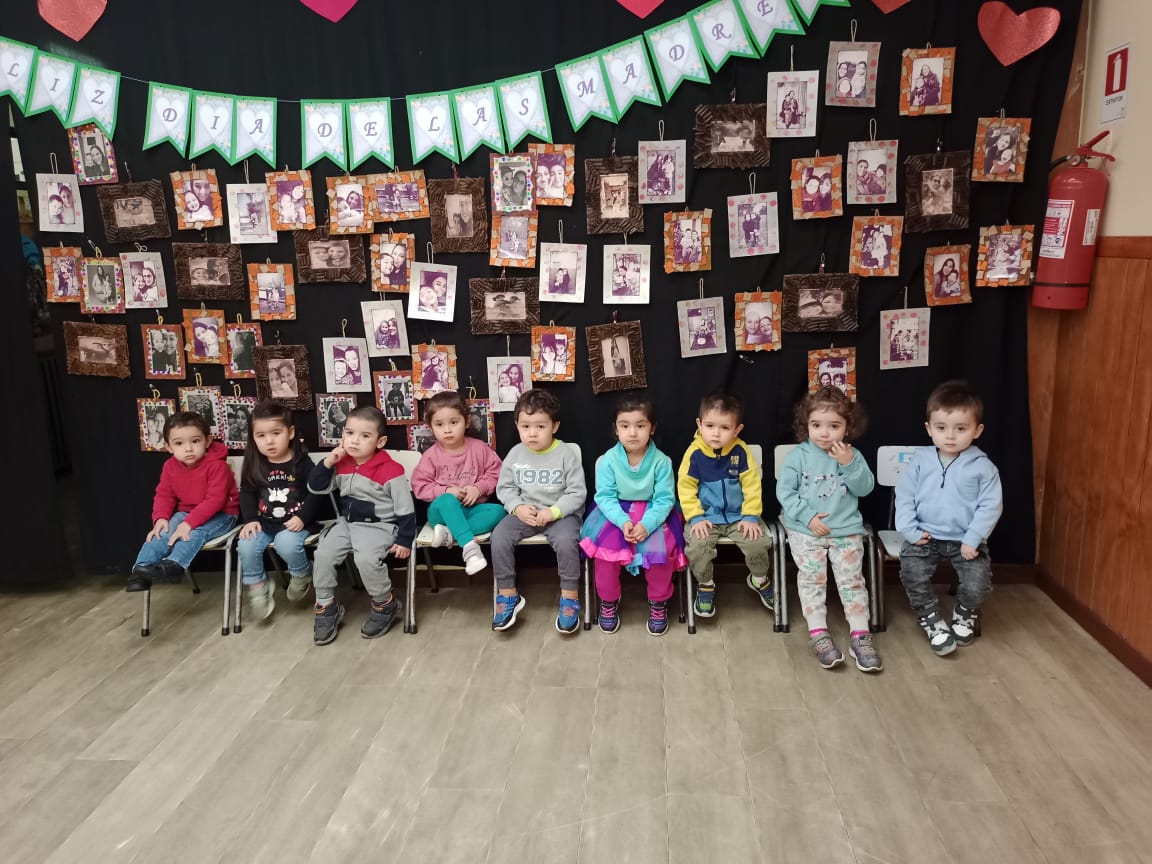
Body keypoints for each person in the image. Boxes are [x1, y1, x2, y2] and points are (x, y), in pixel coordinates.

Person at [777, 387, 882, 672]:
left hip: (845, 530)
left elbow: (865, 488)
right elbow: (785, 493)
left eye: (834, 426)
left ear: (847, 427)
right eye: (817, 425)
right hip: (805, 530)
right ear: (806, 425)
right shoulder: (798, 456)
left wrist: (849, 465)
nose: (824, 433)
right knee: (812, 579)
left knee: (852, 581)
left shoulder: (852, 455)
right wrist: (808, 517)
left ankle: (860, 634)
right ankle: (818, 633)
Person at [896, 381, 1003, 655]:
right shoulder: (920, 460)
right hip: (924, 535)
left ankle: (965, 612)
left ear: (977, 430)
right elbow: (904, 496)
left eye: (961, 429)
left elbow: (991, 506)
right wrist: (910, 531)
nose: (950, 436)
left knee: (978, 582)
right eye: (941, 428)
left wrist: (973, 538)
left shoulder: (984, 467)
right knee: (912, 575)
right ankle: (931, 619)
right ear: (929, 428)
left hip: (965, 540)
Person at [307, 406, 415, 645]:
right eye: (349, 433)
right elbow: (316, 487)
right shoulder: (341, 463)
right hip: (347, 524)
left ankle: (385, 603)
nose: (354, 440)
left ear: (380, 441)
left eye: (365, 435)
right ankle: (325, 605)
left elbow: (405, 508)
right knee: (323, 554)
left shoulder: (391, 470)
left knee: (365, 559)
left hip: (380, 526)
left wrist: (405, 539)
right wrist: (328, 462)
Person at [580, 395, 686, 636]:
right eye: (625, 426)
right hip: (615, 514)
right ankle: (608, 601)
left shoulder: (661, 462)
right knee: (605, 553)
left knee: (659, 552)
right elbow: (605, 497)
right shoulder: (608, 460)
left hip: (654, 513)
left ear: (652, 428)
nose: (632, 433)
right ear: (616, 429)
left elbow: (664, 499)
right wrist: (623, 521)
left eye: (640, 425)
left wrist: (647, 525)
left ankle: (658, 601)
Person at [491, 389, 587, 633]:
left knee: (566, 542)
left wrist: (553, 512)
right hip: (526, 513)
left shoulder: (566, 454)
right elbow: (505, 488)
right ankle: (508, 594)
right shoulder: (515, 453)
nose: (532, 433)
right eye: (526, 426)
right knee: (499, 537)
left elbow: (577, 493)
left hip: (561, 515)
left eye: (540, 427)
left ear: (554, 426)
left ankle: (569, 597)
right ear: (517, 426)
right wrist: (517, 507)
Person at [678, 392, 773, 619]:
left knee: (758, 542)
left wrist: (750, 516)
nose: (716, 433)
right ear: (700, 425)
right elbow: (685, 488)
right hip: (706, 518)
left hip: (739, 516)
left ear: (737, 430)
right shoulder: (694, 454)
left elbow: (752, 486)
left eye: (724, 427)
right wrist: (696, 517)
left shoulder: (741, 451)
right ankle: (705, 585)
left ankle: (759, 579)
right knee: (698, 547)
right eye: (710, 426)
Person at [125, 412, 240, 592]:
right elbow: (164, 495)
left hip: (223, 515)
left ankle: (175, 564)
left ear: (207, 441)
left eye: (195, 441)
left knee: (194, 533)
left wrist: (188, 524)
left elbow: (215, 500)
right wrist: (161, 518)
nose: (188, 448)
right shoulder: (169, 466)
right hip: (186, 513)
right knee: (162, 532)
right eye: (179, 443)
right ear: (169, 447)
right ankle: (141, 570)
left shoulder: (217, 466)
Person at [237, 402, 320, 620]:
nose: (269, 441)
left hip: (296, 522)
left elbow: (316, 493)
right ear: (253, 438)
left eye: (276, 433)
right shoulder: (255, 463)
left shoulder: (302, 462)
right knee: (245, 545)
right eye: (261, 435)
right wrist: (250, 519)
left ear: (290, 433)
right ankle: (258, 586)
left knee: (286, 543)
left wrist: (302, 517)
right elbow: (246, 492)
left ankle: (302, 574)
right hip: (265, 522)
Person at [411, 392, 505, 576]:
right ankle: (470, 549)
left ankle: (450, 533)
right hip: (440, 514)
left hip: (471, 510)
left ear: (467, 422)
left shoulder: (479, 448)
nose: (447, 430)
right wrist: (446, 490)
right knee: (447, 500)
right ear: (431, 427)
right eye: (439, 424)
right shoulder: (431, 456)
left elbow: (497, 473)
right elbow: (420, 486)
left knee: (499, 512)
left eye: (454, 422)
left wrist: (478, 488)